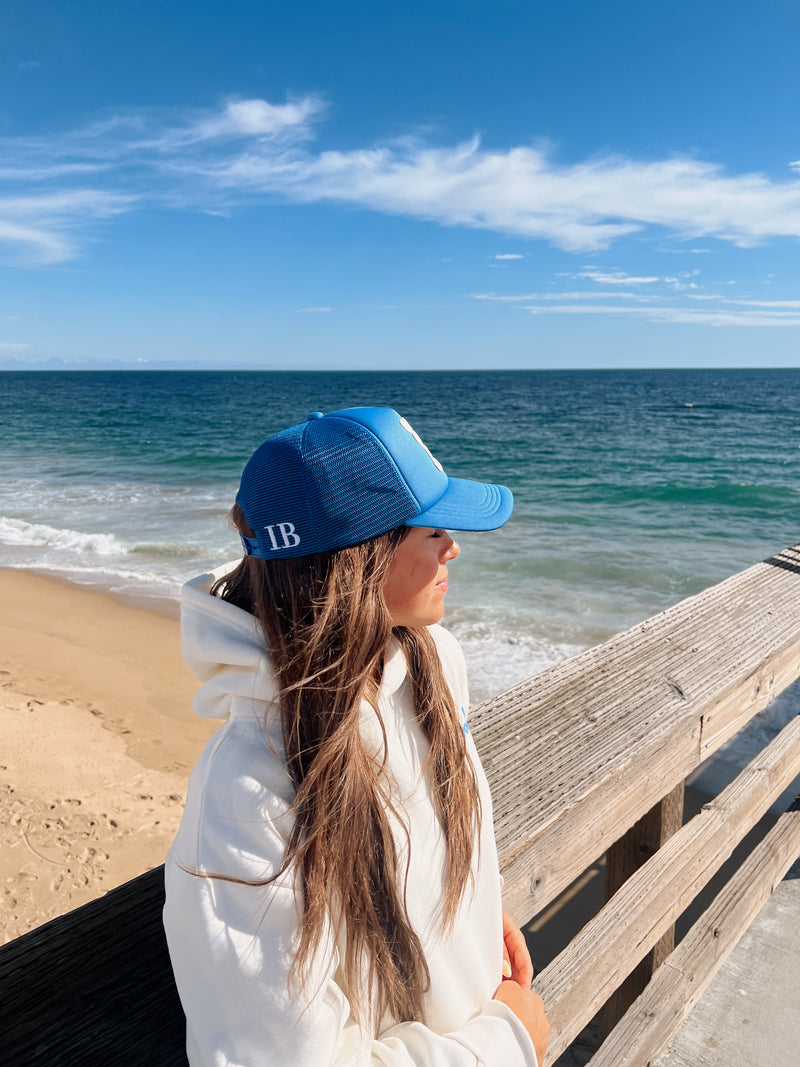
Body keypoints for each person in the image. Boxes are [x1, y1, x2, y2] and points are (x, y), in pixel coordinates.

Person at [163, 407, 550, 1066]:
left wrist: (474, 923)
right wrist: (504, 1042)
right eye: (432, 530)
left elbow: (422, 845)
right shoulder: (248, 794)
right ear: (359, 560)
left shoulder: (433, 661)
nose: (453, 546)